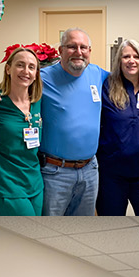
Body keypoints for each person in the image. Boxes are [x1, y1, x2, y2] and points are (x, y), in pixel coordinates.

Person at [40, 29, 109, 216]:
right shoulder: (41, 78)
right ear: (61, 50)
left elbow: (129, 76)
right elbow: (11, 89)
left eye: (83, 47)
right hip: (56, 173)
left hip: (90, 170)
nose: (78, 52)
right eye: (72, 46)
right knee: (50, 232)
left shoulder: (97, 74)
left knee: (82, 230)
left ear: (89, 51)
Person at [97, 40, 139, 216]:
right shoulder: (107, 86)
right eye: (126, 56)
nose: (131, 61)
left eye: (136, 57)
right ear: (119, 60)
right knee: (110, 227)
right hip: (112, 175)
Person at [0, 45, 45, 215]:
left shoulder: (38, 102)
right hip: (7, 183)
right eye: (20, 65)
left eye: (31, 67)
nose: (26, 71)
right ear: (8, 69)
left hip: (34, 183)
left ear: (36, 74)